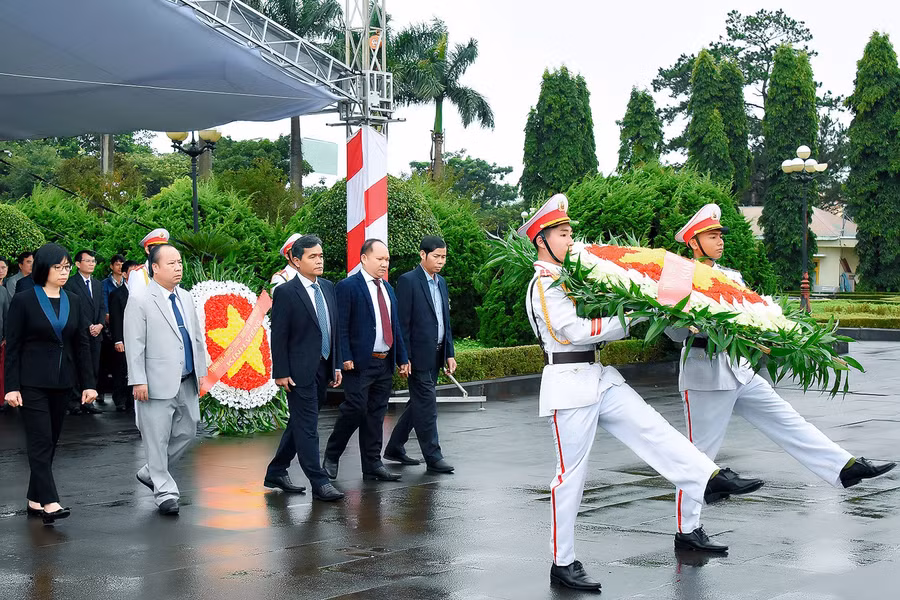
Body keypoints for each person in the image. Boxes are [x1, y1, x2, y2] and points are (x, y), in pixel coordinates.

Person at [520, 195, 763, 592]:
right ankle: (563, 563)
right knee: (570, 477)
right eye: (562, 234)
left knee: (653, 428)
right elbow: (574, 331)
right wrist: (630, 316)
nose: (570, 239)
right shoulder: (545, 284)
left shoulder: (571, 278)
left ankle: (708, 479)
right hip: (569, 383)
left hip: (598, 375)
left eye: (569, 232)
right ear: (541, 240)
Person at [668, 203, 896, 544]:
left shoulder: (731, 276)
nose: (720, 241)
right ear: (693, 242)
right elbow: (672, 333)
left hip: (739, 369)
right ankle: (687, 531)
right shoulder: (677, 275)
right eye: (712, 236)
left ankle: (844, 468)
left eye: (720, 235)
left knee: (788, 420)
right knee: (699, 454)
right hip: (705, 374)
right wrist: (689, 320)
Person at [3, 243, 98, 524]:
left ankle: (35, 497)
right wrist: (11, 386)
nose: (64, 272)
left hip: (62, 382)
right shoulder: (24, 300)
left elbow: (81, 345)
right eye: (58, 267)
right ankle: (49, 501)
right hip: (31, 382)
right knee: (41, 440)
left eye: (66, 267)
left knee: (51, 441)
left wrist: (89, 384)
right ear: (44, 268)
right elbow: (13, 347)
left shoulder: (73, 300)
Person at [124, 244, 207, 515]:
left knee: (188, 431)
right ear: (155, 268)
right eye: (171, 263)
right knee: (157, 439)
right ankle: (165, 492)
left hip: (187, 379)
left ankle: (152, 470)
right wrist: (138, 380)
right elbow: (134, 343)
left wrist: (201, 372)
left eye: (180, 262)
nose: (178, 267)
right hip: (155, 382)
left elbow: (196, 338)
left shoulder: (185, 297)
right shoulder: (140, 299)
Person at [265, 235, 345, 502]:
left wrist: (336, 364)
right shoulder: (286, 292)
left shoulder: (328, 287)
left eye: (320, 256)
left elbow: (334, 328)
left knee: (300, 422)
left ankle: (276, 471)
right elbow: (279, 335)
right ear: (297, 261)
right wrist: (281, 372)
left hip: (324, 366)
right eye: (313, 257)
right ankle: (319, 481)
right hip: (298, 371)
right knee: (308, 426)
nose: (319, 260)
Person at [323, 239, 410, 482]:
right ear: (364, 258)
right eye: (379, 259)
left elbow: (395, 326)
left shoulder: (388, 289)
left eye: (387, 259)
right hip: (359, 363)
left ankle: (372, 464)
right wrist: (345, 356)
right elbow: (340, 325)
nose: (385, 264)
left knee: (376, 414)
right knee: (355, 409)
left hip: (384, 362)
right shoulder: (348, 286)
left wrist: (402, 357)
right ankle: (332, 455)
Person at [384, 236, 456, 474]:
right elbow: (402, 323)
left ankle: (394, 447)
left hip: (437, 354)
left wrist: (449, 353)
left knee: (419, 403)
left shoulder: (441, 282)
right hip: (417, 356)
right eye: (436, 256)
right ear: (422, 255)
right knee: (427, 405)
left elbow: (445, 321)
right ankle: (433, 456)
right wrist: (403, 357)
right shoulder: (408, 281)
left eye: (443, 257)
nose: (440, 261)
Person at [63, 250, 106, 415]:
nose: (91, 264)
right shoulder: (70, 283)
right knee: (77, 366)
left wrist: (100, 324)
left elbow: (102, 306)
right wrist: (88, 325)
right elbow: (74, 307)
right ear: (77, 264)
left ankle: (89, 402)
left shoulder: (98, 284)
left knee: (93, 367)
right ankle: (74, 401)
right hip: (79, 331)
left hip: (97, 332)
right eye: (87, 261)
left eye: (93, 261)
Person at [109, 261, 141, 412]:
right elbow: (115, 319)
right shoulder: (117, 294)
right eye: (132, 272)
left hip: (138, 338)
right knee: (121, 370)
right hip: (123, 338)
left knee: (134, 369)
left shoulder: (143, 292)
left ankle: (132, 398)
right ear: (124, 274)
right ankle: (120, 399)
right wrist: (118, 340)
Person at [126, 228, 170, 299]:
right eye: (156, 247)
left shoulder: (170, 272)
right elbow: (135, 302)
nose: (161, 251)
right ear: (147, 249)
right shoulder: (138, 274)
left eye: (163, 247)